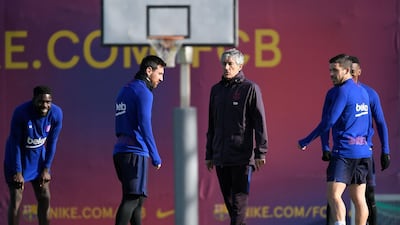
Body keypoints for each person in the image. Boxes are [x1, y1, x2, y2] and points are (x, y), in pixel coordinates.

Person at [298, 54, 372, 225]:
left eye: (335, 70)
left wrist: (306, 140)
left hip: (344, 153)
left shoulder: (342, 91)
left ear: (347, 70)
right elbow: (369, 124)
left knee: (334, 194)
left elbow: (329, 121)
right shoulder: (363, 91)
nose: (331, 74)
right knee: (359, 198)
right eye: (330, 70)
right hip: (363, 152)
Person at [321, 56, 391, 225]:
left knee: (367, 196)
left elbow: (380, 122)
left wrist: (385, 150)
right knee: (335, 196)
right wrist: (325, 146)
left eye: (353, 71)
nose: (351, 75)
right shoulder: (334, 93)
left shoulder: (369, 93)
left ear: (358, 71)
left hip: (364, 152)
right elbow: (326, 121)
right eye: (348, 71)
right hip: (344, 151)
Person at [205, 48, 268, 225]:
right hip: (221, 157)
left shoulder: (250, 88)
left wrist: (260, 152)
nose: (226, 67)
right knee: (231, 206)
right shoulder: (216, 90)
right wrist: (209, 154)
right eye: (224, 63)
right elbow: (212, 124)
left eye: (230, 64)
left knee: (239, 204)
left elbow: (259, 122)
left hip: (242, 157)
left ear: (240, 65)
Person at [113, 55, 166, 225]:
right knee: (132, 199)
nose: (161, 79)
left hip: (120, 152)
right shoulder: (144, 92)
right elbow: (145, 125)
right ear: (148, 71)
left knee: (138, 200)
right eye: (160, 74)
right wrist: (155, 155)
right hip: (135, 152)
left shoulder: (125, 90)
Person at [3, 85, 63, 225]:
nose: (45, 105)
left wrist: (46, 169)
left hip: (38, 160)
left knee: (45, 197)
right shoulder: (21, 113)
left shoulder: (56, 113)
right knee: (16, 199)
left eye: (48, 102)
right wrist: (18, 172)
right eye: (41, 101)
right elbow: (15, 143)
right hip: (17, 159)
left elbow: (52, 143)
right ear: (34, 100)